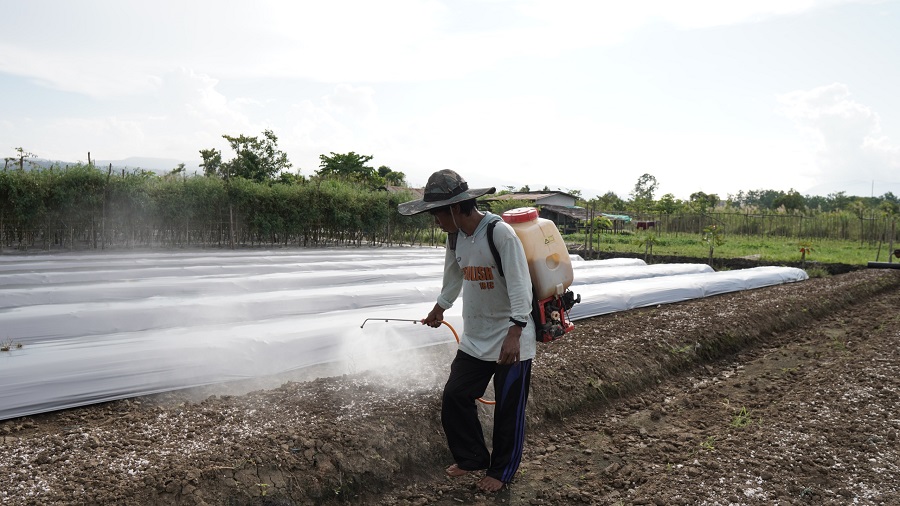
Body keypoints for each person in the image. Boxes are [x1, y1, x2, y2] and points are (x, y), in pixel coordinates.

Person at [397, 169, 535, 493]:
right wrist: (440, 307)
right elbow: (453, 276)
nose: (436, 221)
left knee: (508, 410)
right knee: (455, 395)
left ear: (457, 208)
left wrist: (515, 332)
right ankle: (472, 457)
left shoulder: (499, 234)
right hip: (476, 336)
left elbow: (521, 285)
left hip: (510, 337)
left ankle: (502, 471)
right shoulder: (455, 236)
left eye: (437, 214)